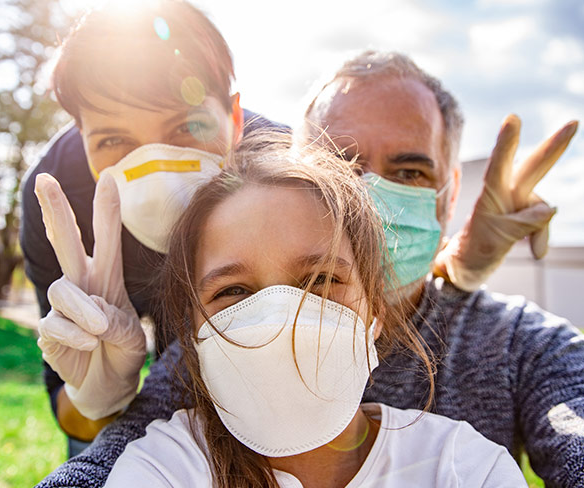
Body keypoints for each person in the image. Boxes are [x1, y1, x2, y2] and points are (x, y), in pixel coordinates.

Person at [34, 50, 582, 488]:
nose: (370, 200)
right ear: (297, 174)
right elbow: (110, 464)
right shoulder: (227, 343)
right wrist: (97, 399)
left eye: (410, 170)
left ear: (450, 190)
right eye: (341, 163)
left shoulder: (525, 346)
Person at [102, 138, 526, 487]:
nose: (278, 318)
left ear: (375, 309)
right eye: (233, 291)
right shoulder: (165, 468)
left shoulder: (466, 469)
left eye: (320, 280)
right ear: (191, 330)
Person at [20, 0, 285, 456]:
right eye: (113, 140)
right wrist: (99, 396)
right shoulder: (57, 199)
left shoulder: (282, 170)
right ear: (80, 135)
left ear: (235, 121)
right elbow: (73, 418)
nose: (156, 165)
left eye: (187, 125)